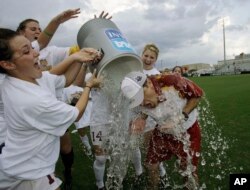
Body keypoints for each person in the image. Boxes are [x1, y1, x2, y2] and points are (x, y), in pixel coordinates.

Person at [0, 28, 102, 190]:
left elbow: (65, 79)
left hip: (16, 164)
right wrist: (89, 86)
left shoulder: (22, 79)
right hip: (28, 172)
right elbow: (76, 114)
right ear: (7, 64)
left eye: (32, 47)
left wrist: (78, 58)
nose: (36, 53)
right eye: (26, 51)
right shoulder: (32, 100)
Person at [121, 71, 203, 189]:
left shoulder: (170, 81)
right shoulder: (142, 100)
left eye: (142, 97)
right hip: (162, 131)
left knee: (188, 170)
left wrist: (180, 117)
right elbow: (145, 109)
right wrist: (142, 119)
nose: (143, 103)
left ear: (149, 84)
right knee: (150, 165)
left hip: (188, 131)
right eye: (137, 101)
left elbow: (196, 96)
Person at [131, 43, 166, 183]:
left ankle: (161, 171)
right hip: (133, 112)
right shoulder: (134, 71)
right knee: (133, 144)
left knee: (149, 147)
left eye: (152, 57)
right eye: (146, 55)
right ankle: (139, 171)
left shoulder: (157, 75)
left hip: (149, 116)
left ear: (155, 59)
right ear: (141, 55)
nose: (148, 59)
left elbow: (160, 99)